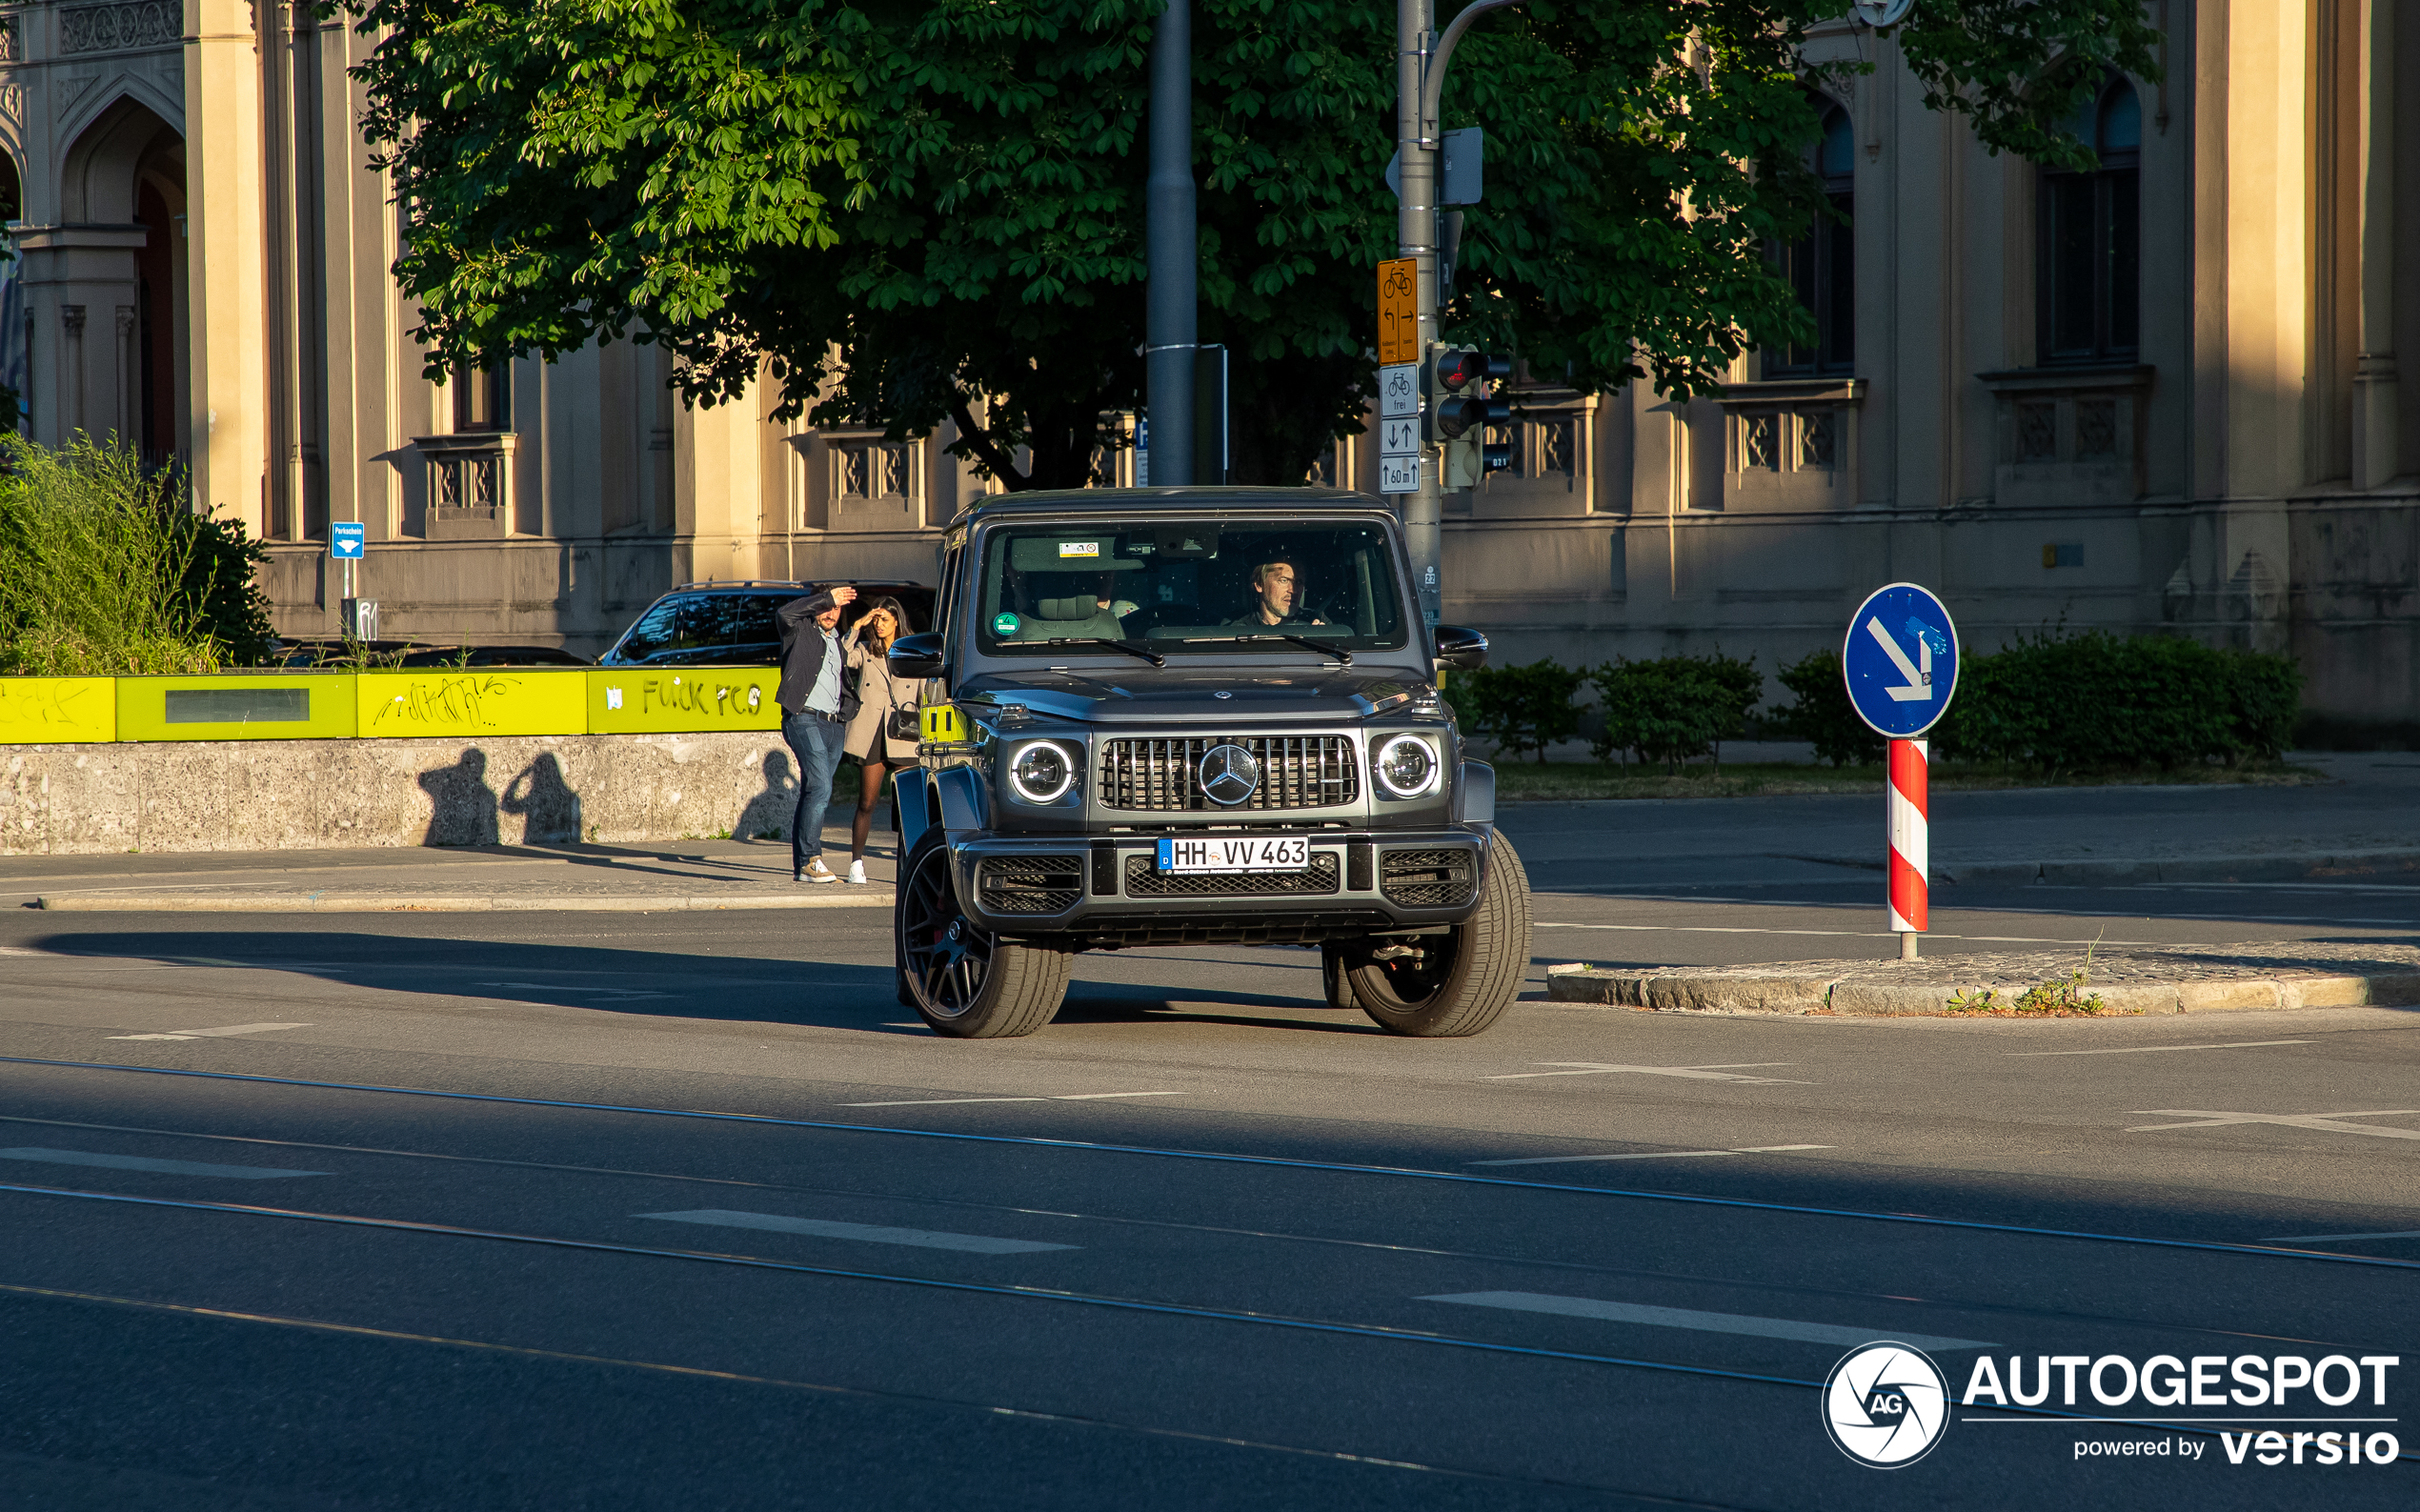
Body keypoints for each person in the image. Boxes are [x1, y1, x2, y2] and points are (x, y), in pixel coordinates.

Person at [775, 583, 858, 883]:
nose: (830, 613)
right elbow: (784, 613)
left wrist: (846, 715)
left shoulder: (836, 641)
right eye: (825, 606)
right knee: (821, 789)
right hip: (803, 718)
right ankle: (812, 859)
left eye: (836, 607)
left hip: (833, 725)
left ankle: (802, 865)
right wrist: (824, 598)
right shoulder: (799, 629)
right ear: (815, 605)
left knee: (815, 790)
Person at [840, 596, 918, 885]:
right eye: (876, 619)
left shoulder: (912, 652)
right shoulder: (865, 650)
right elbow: (841, 657)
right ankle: (856, 863)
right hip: (872, 732)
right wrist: (857, 626)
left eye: (885, 618)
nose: (880, 624)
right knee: (867, 802)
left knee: (908, 806)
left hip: (904, 733)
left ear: (897, 620)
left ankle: (911, 861)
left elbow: (924, 692)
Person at [1228, 558, 1325, 627]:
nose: (1293, 590)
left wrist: (1320, 638)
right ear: (1259, 584)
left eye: (1299, 582)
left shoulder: (1316, 618)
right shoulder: (1241, 631)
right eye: (1284, 580)